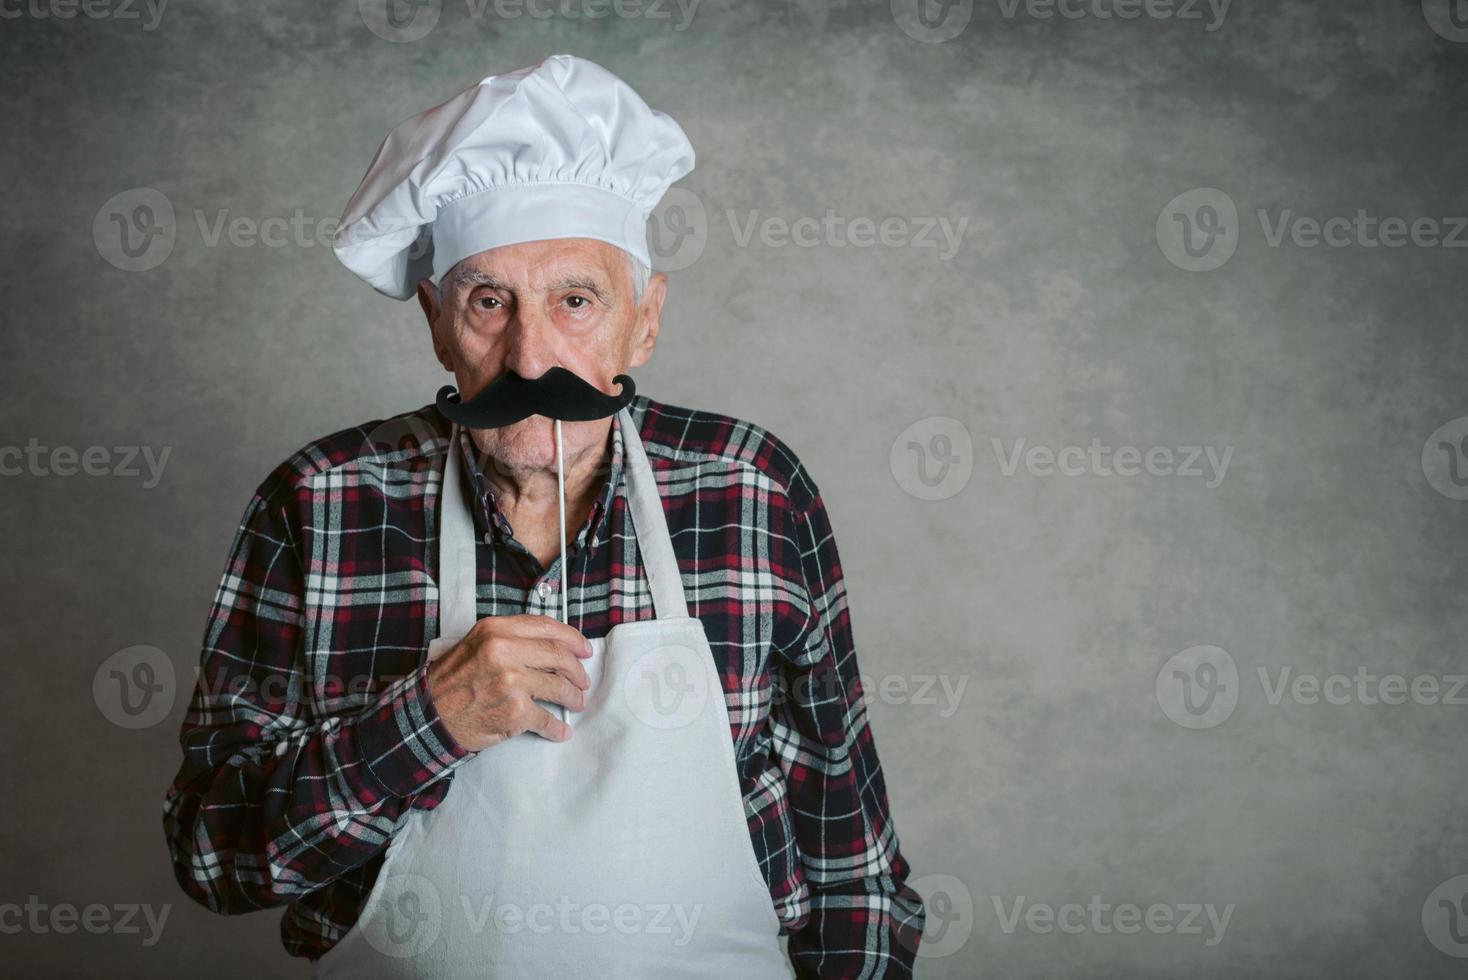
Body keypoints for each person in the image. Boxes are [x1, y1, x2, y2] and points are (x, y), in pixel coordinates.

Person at [162, 53, 925, 978]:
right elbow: (214, 856)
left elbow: (851, 857)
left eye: (575, 301)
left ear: (642, 322)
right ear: (439, 322)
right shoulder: (322, 502)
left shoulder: (750, 488)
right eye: (490, 303)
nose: (531, 359)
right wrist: (422, 725)